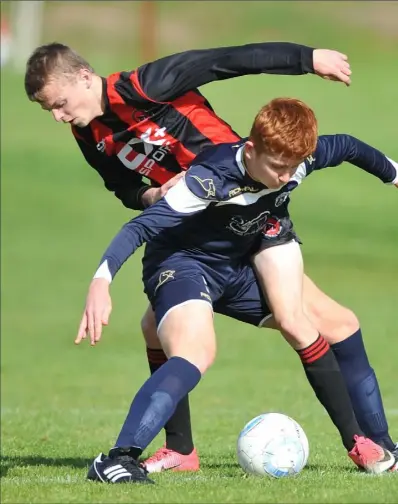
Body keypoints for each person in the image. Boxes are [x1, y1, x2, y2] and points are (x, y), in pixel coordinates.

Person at [24, 42, 397, 471]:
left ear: (85, 78)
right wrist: (151, 193)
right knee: (167, 331)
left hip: (253, 209)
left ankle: (380, 447)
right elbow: (122, 188)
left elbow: (228, 61)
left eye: (60, 103)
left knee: (334, 324)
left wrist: (307, 60)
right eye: (48, 110)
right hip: (192, 224)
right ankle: (172, 450)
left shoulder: (148, 86)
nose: (58, 115)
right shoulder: (87, 131)